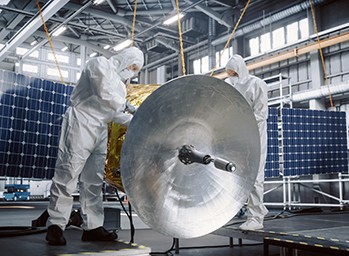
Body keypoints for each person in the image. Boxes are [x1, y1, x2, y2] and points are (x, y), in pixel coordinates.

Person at [46, 47, 144, 245]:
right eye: (132, 66)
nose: (131, 71)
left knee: (93, 180)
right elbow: (103, 92)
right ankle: (56, 225)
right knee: (68, 173)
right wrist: (127, 106)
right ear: (126, 58)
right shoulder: (99, 64)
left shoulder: (121, 87)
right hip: (81, 122)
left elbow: (114, 113)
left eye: (135, 70)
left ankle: (92, 226)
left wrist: (139, 120)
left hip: (100, 129)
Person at [225, 54, 268, 231]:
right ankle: (231, 211)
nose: (231, 76)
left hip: (255, 136)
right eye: (229, 73)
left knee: (255, 177)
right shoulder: (228, 85)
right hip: (235, 136)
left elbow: (261, 113)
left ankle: (256, 218)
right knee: (232, 174)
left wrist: (243, 122)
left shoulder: (256, 84)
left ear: (241, 70)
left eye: (234, 73)